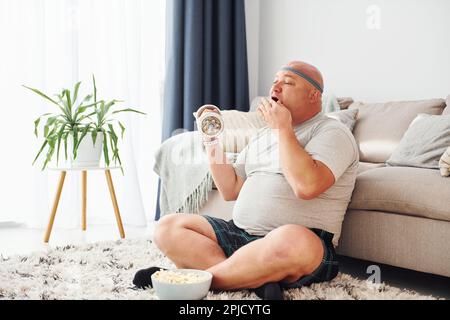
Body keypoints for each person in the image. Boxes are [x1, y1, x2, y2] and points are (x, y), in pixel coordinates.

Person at [133, 61, 359, 300]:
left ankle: (190, 282)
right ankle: (252, 280)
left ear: (314, 95)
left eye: (288, 82)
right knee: (168, 227)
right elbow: (231, 189)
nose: (277, 86)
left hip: (301, 244)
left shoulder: (332, 132)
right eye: (275, 81)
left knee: (292, 240)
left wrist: (284, 129)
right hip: (240, 234)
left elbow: (306, 186)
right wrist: (211, 142)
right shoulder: (263, 134)